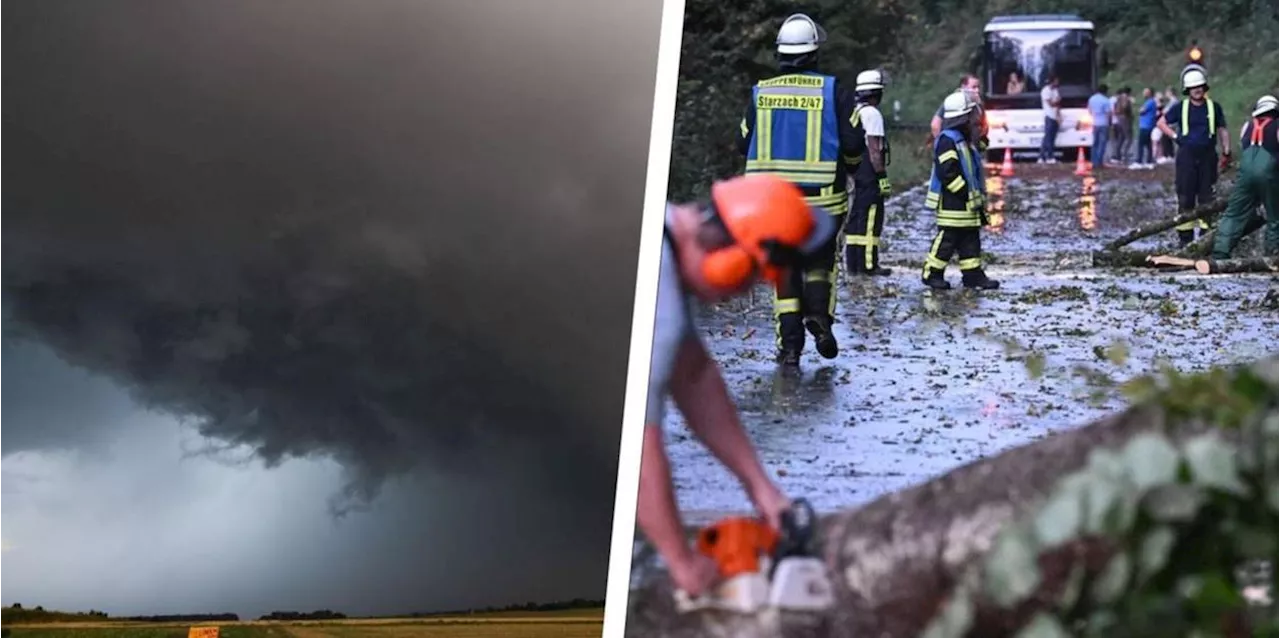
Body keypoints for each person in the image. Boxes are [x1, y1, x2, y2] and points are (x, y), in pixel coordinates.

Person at [638, 173, 836, 600]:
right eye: (749, 281)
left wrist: (764, 492)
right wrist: (683, 563)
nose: (741, 294)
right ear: (727, 260)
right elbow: (633, 445)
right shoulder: (656, 299)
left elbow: (694, 375)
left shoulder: (665, 245)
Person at [738, 13, 865, 366]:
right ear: (813, 54)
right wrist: (852, 167)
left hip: (773, 205)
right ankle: (820, 318)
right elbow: (854, 142)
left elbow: (742, 142)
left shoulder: (761, 93)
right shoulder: (832, 90)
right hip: (824, 200)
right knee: (821, 263)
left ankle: (790, 347)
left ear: (780, 54)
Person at [921, 90, 999, 291]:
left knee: (970, 240)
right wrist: (965, 193)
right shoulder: (948, 139)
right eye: (973, 113)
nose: (976, 117)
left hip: (967, 204)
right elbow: (948, 173)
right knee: (948, 239)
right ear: (963, 117)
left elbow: (981, 145)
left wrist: (982, 129)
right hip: (953, 202)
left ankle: (973, 275)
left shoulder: (964, 139)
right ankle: (932, 273)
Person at [1156, 68, 1230, 246]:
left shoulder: (1214, 107)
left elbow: (1222, 129)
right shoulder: (1180, 107)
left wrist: (1227, 151)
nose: (1197, 90)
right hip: (1186, 156)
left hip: (1208, 156)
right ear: (1187, 90)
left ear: (1204, 87)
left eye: (1200, 86)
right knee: (1186, 197)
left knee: (1207, 197)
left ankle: (1205, 237)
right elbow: (1161, 123)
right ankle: (1185, 239)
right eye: (1193, 87)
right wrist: (1175, 137)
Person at [1211, 95, 1280, 259]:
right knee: (1275, 215)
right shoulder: (1277, 126)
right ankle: (1273, 254)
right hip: (1269, 175)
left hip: (1245, 174)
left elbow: (1244, 147)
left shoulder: (1247, 126)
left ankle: (1220, 252)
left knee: (1234, 213)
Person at [845, 69, 893, 277]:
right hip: (869, 172)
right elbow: (875, 148)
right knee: (871, 217)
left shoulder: (853, 111)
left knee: (856, 217)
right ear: (876, 93)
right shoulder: (872, 114)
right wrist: (881, 175)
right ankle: (869, 264)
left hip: (854, 170)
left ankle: (853, 264)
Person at [1088, 84, 1112, 169]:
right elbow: (1108, 113)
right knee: (1102, 143)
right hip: (1103, 124)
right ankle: (1099, 162)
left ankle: (1093, 161)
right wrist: (1110, 123)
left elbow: (1090, 111)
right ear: (1105, 91)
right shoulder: (1105, 100)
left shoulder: (1092, 98)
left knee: (1095, 143)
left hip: (1095, 123)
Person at [1134, 87, 1158, 169]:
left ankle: (1139, 161)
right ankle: (1149, 161)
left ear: (1149, 93)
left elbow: (1141, 111)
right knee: (1148, 144)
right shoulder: (1151, 102)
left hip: (1145, 126)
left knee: (1141, 144)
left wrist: (1139, 110)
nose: (1143, 93)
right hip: (1148, 125)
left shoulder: (1150, 102)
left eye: (1145, 92)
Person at [1039, 75, 1061, 164]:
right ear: (1052, 81)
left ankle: (1041, 157)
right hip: (1049, 116)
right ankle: (1049, 157)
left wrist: (1059, 116)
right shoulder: (1045, 91)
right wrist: (1057, 101)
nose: (1058, 83)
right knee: (1048, 138)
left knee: (1050, 138)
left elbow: (1058, 104)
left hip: (1055, 116)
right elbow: (1051, 104)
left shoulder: (1056, 90)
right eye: (1056, 81)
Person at [1112, 87, 1134, 164]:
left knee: (1121, 137)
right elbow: (1125, 107)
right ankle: (1125, 154)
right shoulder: (1125, 98)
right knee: (1129, 138)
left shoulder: (1118, 99)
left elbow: (1115, 109)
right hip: (1125, 119)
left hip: (1119, 119)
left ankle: (1118, 155)